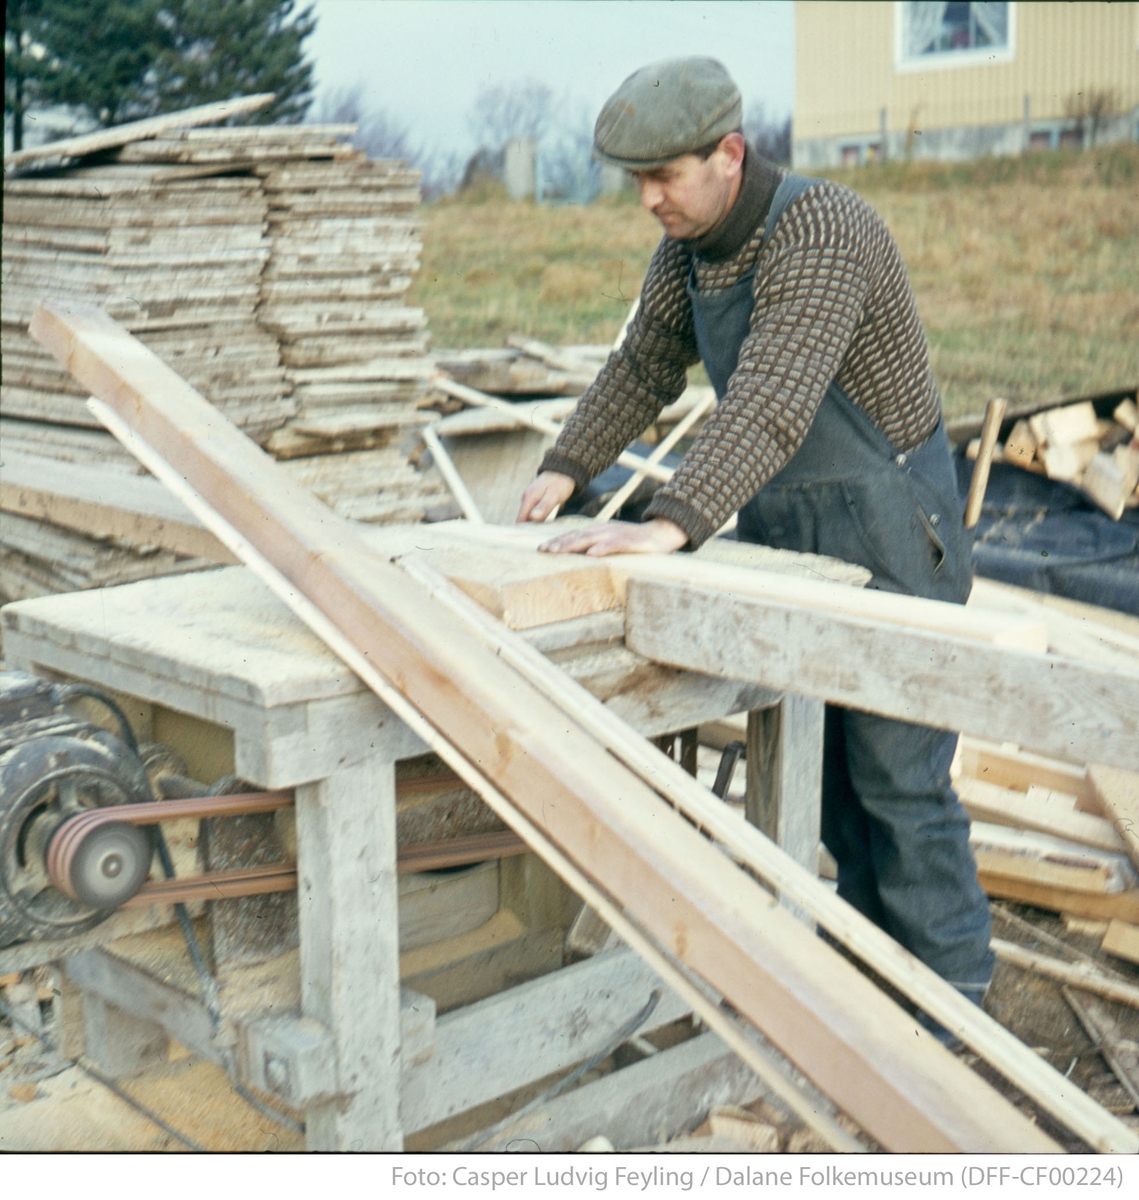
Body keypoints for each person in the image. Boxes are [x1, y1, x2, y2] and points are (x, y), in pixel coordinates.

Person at [517, 57, 994, 1024]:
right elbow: (641, 364)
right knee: (829, 785)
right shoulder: (688, 249)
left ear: (728, 153)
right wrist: (562, 468)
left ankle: (956, 1020)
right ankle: (873, 996)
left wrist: (667, 526)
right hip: (792, 529)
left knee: (899, 781)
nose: (647, 200)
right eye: (635, 182)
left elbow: (774, 397)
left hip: (894, 525)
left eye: (664, 177)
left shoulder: (822, 227)